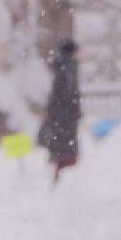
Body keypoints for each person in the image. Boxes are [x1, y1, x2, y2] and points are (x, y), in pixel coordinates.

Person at [38, 38, 82, 183]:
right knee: (66, 158)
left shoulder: (63, 69)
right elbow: (65, 97)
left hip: (62, 121)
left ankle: (61, 186)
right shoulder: (67, 70)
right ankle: (63, 189)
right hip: (64, 122)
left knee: (63, 157)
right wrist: (72, 115)